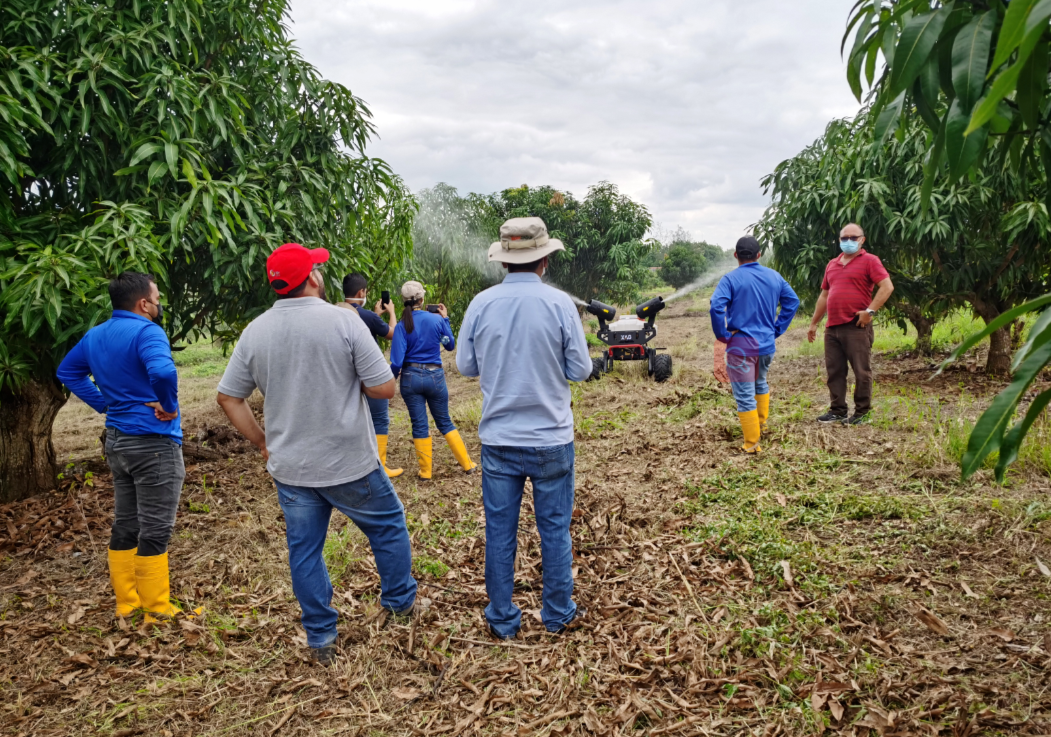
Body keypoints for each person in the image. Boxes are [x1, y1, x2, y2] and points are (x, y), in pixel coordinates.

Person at [215, 243, 417, 666]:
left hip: (290, 467)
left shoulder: (256, 331)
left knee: (304, 550)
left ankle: (321, 636)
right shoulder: (343, 321)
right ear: (312, 278)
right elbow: (383, 388)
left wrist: (262, 441)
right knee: (388, 526)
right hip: (349, 461)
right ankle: (399, 604)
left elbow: (229, 398)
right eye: (317, 269)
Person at [457, 216, 593, 640]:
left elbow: (464, 365)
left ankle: (501, 617)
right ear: (545, 261)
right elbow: (582, 369)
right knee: (554, 528)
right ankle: (557, 613)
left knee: (500, 531)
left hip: (499, 439)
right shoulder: (559, 305)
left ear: (503, 262)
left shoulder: (481, 304)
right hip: (551, 437)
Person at [56, 271, 189, 622]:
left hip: (117, 440)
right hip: (153, 442)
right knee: (156, 527)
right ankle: (157, 609)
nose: (159, 305)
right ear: (144, 304)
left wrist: (104, 404)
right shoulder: (148, 332)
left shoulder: (95, 335)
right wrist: (170, 405)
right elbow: (163, 373)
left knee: (126, 522)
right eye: (157, 299)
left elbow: (67, 372)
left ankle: (126, 602)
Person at [710, 236, 800, 453]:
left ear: (736, 255)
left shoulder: (730, 279)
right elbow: (792, 301)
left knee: (743, 394)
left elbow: (716, 308)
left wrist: (723, 335)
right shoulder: (774, 276)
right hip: (767, 345)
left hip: (741, 347)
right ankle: (762, 426)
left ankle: (752, 444)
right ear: (759, 255)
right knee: (760, 382)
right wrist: (777, 328)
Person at [806, 223, 894, 424]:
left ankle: (863, 413)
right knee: (834, 371)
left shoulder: (870, 261)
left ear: (862, 240)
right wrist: (814, 323)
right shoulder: (832, 264)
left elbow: (887, 286)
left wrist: (870, 311)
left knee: (861, 371)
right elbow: (824, 295)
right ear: (839, 240)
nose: (848, 242)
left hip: (856, 326)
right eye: (844, 238)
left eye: (853, 238)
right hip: (832, 327)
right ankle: (838, 410)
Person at [390, 281, 476, 479]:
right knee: (444, 421)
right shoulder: (436, 321)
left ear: (404, 301)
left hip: (410, 379)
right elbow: (449, 345)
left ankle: (425, 472)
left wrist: (391, 382)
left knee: (419, 424)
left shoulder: (402, 326)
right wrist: (445, 320)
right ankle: (467, 464)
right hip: (435, 377)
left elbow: (396, 361)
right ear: (422, 299)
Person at [339, 273, 402, 478]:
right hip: (369, 376)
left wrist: (376, 316)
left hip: (345, 377)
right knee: (379, 419)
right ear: (361, 293)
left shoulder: (336, 313)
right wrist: (391, 312)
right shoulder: (368, 316)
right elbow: (394, 333)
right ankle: (379, 466)